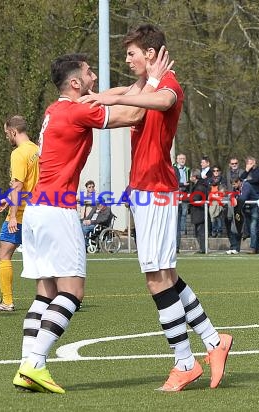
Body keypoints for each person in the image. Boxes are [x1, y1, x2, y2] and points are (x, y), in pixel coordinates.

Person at [78, 24, 232, 392]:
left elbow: (162, 102)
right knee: (167, 276)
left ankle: (184, 363)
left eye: (131, 54)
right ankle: (213, 341)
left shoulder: (168, 84)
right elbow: (126, 93)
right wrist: (95, 97)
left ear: (150, 54)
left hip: (158, 189)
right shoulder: (147, 85)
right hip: (146, 190)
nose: (127, 60)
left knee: (156, 278)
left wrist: (110, 100)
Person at [13, 48, 173, 394]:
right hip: (57, 209)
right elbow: (132, 114)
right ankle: (34, 363)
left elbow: (118, 97)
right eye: (88, 73)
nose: (94, 77)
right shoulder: (77, 112)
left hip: (37, 209)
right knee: (73, 292)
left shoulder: (55, 108)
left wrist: (141, 83)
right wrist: (156, 81)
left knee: (45, 293)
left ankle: (26, 365)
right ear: (75, 82)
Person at [0, 115, 39, 312]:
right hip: (40, 212)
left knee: (4, 254)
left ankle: (7, 302)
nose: (6, 136)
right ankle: (61, 297)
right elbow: (29, 185)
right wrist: (6, 199)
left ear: (13, 132)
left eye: (6, 133)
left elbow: (17, 186)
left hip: (22, 214)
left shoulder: (18, 154)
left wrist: (13, 216)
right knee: (44, 258)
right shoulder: (37, 149)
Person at [240, 156, 259, 254]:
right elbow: (240, 179)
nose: (249, 164)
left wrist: (246, 181)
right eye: (247, 163)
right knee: (252, 226)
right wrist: (246, 171)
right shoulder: (246, 172)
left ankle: (253, 247)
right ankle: (257, 248)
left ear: (254, 162)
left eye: (250, 163)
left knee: (254, 226)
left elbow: (256, 180)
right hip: (247, 201)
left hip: (255, 200)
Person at [174, 153, 190, 252]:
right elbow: (174, 181)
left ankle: (183, 230)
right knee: (177, 215)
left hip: (185, 192)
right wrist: (182, 184)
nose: (182, 160)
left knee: (184, 212)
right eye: (180, 158)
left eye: (183, 158)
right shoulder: (173, 168)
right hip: (176, 192)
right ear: (177, 160)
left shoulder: (187, 169)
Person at [188, 170, 207, 254]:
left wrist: (183, 198)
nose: (189, 178)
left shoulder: (199, 187)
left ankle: (203, 248)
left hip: (200, 211)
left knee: (201, 231)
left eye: (191, 176)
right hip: (198, 211)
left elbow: (195, 198)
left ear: (195, 177)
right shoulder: (197, 185)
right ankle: (202, 248)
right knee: (198, 231)